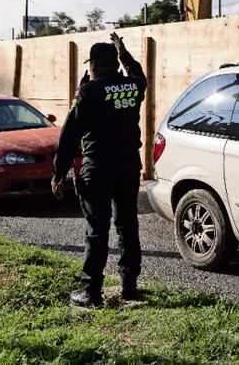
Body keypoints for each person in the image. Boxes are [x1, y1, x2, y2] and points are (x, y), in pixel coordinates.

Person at [52, 31, 148, 308]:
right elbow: (138, 74)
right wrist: (124, 53)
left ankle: (91, 292)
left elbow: (70, 135)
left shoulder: (88, 92)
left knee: (97, 230)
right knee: (128, 226)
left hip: (98, 168)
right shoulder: (133, 86)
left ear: (93, 64)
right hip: (128, 166)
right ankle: (129, 286)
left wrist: (59, 173)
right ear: (115, 63)